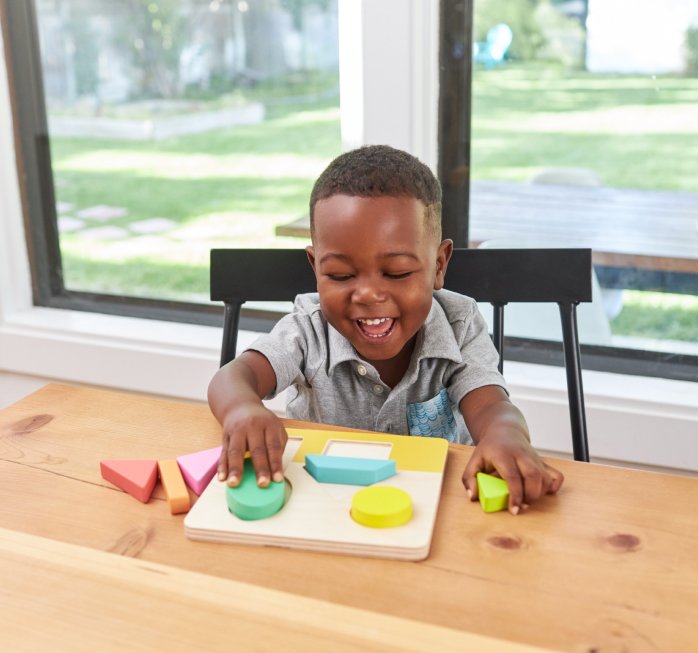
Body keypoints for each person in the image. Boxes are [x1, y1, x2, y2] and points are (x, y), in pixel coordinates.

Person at [208, 144, 564, 514]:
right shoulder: (308, 332)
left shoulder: (459, 325)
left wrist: (506, 433)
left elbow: (491, 404)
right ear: (315, 268)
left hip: (433, 505)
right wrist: (241, 408)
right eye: (341, 275)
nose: (368, 294)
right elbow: (235, 376)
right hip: (322, 504)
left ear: (439, 265)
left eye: (396, 273)